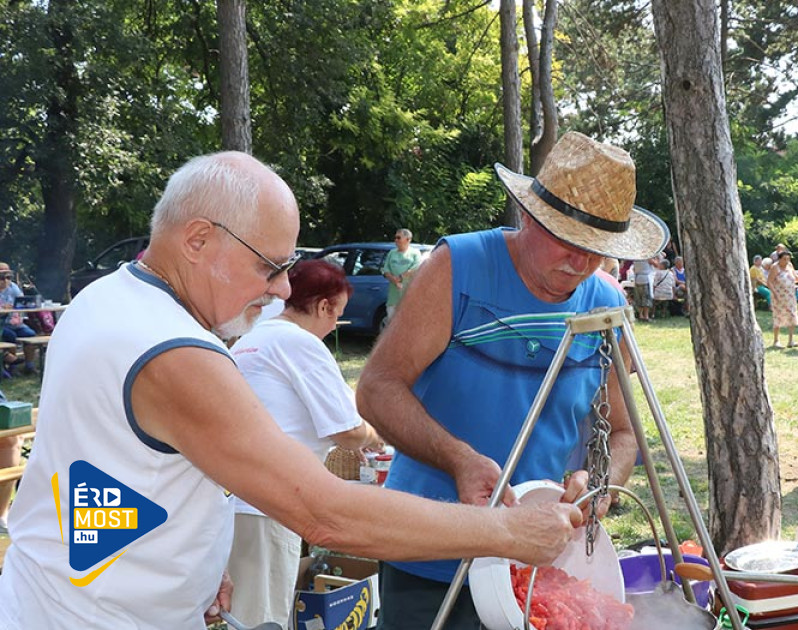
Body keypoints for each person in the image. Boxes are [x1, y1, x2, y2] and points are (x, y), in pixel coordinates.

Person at [0, 152, 583, 630]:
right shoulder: (174, 353)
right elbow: (325, 514)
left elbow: (93, 469)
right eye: (270, 266)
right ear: (197, 240)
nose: (282, 290)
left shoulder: (107, 298)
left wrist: (185, 557)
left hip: (63, 597)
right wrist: (507, 532)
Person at [355, 131, 668, 630]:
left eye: (596, 250)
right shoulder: (459, 267)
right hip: (431, 551)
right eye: (568, 241)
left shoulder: (605, 303)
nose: (580, 264)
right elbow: (376, 390)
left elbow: (624, 433)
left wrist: (601, 483)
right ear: (528, 215)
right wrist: (459, 459)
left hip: (536, 563)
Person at [226, 259, 386, 627]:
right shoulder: (300, 343)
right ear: (323, 306)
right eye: (337, 315)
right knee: (263, 617)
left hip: (235, 499)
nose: (334, 326)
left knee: (242, 611)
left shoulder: (252, 340)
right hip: (271, 502)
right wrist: (375, 434)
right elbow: (348, 429)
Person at [0, 262, 40, 376]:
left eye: (8, 277)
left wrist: (20, 305)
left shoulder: (13, 287)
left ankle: (29, 365)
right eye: (2, 277)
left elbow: (22, 301)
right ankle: (13, 367)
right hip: (2, 324)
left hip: (15, 322)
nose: (5, 280)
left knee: (30, 334)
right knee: (10, 336)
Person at [382, 228, 422, 322]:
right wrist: (394, 280)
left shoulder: (415, 253)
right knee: (391, 324)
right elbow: (385, 270)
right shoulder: (392, 253)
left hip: (409, 298)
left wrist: (401, 277)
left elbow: (416, 268)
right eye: (395, 237)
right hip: (393, 299)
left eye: (398, 238)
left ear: (408, 239)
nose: (395, 240)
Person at [767, 250, 798, 348]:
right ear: (779, 259)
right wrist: (775, 293)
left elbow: (796, 277)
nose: (786, 261)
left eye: (788, 259)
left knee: (791, 315)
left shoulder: (789, 266)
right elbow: (769, 282)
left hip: (790, 295)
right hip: (779, 296)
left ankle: (791, 340)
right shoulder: (775, 267)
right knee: (778, 316)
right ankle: (776, 340)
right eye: (784, 259)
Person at [632, 256, 656, 321]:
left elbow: (634, 269)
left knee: (639, 298)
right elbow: (656, 264)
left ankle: (640, 315)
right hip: (646, 279)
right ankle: (646, 316)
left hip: (637, 278)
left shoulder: (635, 258)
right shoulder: (647, 257)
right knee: (646, 298)